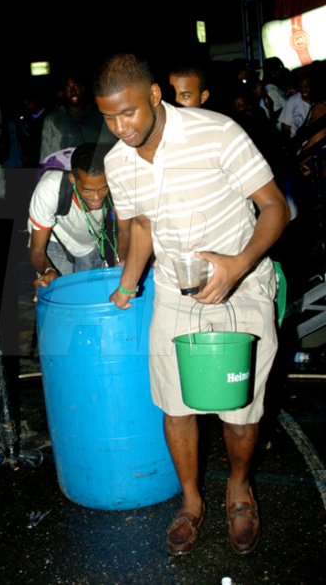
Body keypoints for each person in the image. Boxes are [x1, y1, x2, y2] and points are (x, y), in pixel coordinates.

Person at [93, 53, 290, 556]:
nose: (121, 128)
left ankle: (240, 489)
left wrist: (238, 264)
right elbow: (140, 227)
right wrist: (127, 283)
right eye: (109, 118)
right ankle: (191, 502)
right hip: (173, 294)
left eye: (129, 113)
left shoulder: (217, 132)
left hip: (241, 287)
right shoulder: (117, 161)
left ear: (154, 95)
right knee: (175, 406)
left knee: (240, 410)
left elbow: (274, 207)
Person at [28, 142, 129, 293]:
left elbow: (124, 231)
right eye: (87, 189)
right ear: (73, 179)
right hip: (55, 240)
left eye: (103, 188)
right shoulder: (50, 189)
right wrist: (48, 270)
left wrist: (122, 263)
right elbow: (37, 251)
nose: (96, 197)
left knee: (91, 294)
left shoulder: (118, 184)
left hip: (89, 243)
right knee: (61, 293)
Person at [39, 74, 116, 162]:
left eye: (76, 85)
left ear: (83, 88)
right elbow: (47, 157)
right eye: (68, 87)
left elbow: (112, 148)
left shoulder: (99, 115)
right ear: (62, 92)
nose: (73, 91)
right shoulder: (53, 119)